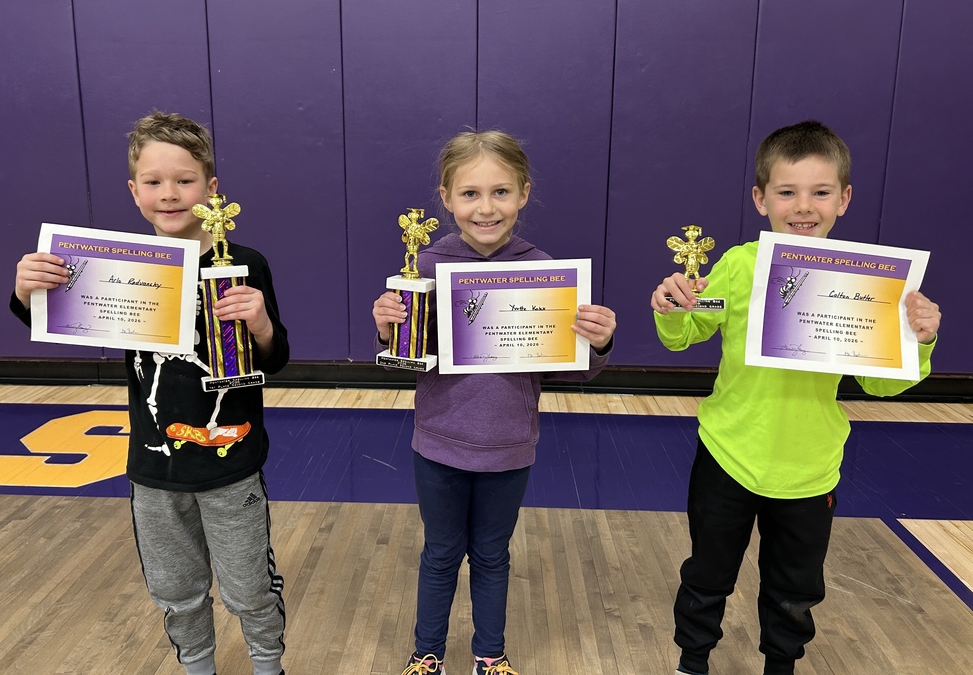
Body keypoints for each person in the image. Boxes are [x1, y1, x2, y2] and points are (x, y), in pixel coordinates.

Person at [650, 120, 942, 675]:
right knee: (708, 573)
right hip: (728, 454)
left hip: (810, 467)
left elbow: (881, 384)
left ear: (844, 199)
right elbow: (687, 332)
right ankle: (693, 661)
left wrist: (919, 340)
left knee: (795, 587)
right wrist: (671, 306)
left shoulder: (868, 283)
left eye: (820, 192)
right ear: (761, 199)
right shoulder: (738, 266)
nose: (803, 206)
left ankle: (780, 665)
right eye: (786, 191)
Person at [10, 111, 290, 675]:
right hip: (154, 471)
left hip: (231, 464)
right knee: (175, 590)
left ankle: (268, 666)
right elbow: (48, 317)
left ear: (212, 188)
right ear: (134, 191)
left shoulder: (245, 263)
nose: (169, 194)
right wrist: (26, 290)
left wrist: (260, 324)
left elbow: (275, 357)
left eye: (185, 180)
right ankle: (197, 668)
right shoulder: (118, 267)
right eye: (154, 182)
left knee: (250, 589)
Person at [373, 131, 618, 675]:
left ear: (524, 194)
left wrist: (597, 342)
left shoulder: (543, 269)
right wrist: (389, 332)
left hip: (509, 446)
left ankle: (490, 654)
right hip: (438, 444)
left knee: (491, 555)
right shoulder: (422, 267)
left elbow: (571, 366)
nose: (486, 208)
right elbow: (400, 360)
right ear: (446, 197)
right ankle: (427, 654)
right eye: (470, 193)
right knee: (440, 554)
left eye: (501, 192)